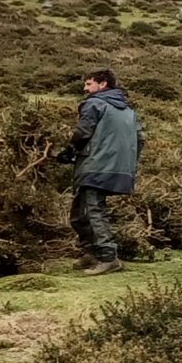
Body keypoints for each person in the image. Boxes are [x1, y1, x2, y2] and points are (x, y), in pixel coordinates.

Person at [58, 69, 142, 274]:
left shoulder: (94, 104)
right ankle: (91, 252)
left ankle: (107, 257)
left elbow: (82, 132)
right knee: (79, 213)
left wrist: (68, 151)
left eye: (89, 84)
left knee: (93, 210)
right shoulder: (128, 110)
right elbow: (140, 139)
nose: (85, 88)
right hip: (119, 168)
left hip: (95, 166)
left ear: (102, 84)